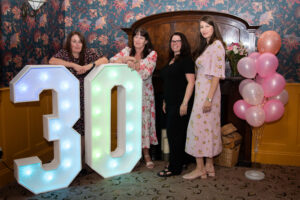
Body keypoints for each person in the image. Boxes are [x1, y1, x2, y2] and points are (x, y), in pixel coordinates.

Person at [182, 16, 226, 180]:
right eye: (201, 27)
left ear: (214, 27)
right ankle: (209, 165)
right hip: (204, 92)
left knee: (197, 129)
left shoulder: (216, 45)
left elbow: (215, 76)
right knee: (208, 129)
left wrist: (208, 99)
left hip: (208, 93)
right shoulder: (207, 46)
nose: (204, 29)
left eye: (207, 26)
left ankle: (200, 168)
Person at [110, 28, 158, 169]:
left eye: (141, 37)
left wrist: (134, 64)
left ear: (146, 41)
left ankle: (146, 154)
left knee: (143, 123)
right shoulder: (126, 51)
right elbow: (112, 61)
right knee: (129, 123)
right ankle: (131, 154)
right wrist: (126, 59)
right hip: (127, 93)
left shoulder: (152, 54)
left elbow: (145, 73)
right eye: (136, 36)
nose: (137, 39)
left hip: (144, 95)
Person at [49, 31, 108, 136]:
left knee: (87, 129)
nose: (77, 44)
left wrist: (89, 66)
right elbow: (52, 61)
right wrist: (72, 65)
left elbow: (105, 60)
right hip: (70, 98)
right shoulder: (64, 54)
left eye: (80, 42)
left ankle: (84, 152)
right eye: (74, 41)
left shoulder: (87, 53)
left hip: (87, 97)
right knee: (72, 130)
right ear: (69, 43)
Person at [157, 32, 195, 177]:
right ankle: (180, 162)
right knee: (175, 135)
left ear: (183, 43)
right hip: (170, 103)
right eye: (173, 41)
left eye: (178, 41)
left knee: (174, 136)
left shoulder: (186, 60)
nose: (175, 43)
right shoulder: (171, 60)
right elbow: (169, 83)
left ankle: (174, 168)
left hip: (180, 104)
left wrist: (184, 104)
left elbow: (191, 83)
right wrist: (165, 101)